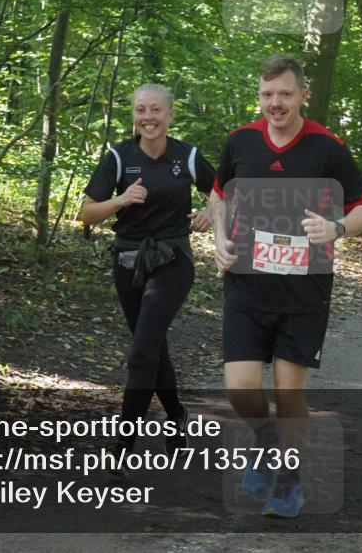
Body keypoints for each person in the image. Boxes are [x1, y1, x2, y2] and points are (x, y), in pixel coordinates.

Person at [209, 55, 362, 518]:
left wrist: (337, 228)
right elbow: (220, 193)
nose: (275, 103)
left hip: (305, 290)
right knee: (241, 388)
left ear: (303, 95)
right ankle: (265, 445)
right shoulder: (240, 141)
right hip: (247, 283)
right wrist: (220, 237)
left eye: (285, 94)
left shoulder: (327, 147)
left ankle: (288, 481)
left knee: (288, 393)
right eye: (267, 95)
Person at [82, 83, 216, 474]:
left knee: (141, 352)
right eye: (141, 110)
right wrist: (120, 200)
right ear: (134, 115)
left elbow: (227, 191)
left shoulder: (186, 156)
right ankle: (177, 419)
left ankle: (121, 450)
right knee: (152, 349)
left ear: (170, 115)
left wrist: (211, 211)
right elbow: (88, 214)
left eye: (156, 110)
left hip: (173, 260)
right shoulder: (118, 157)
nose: (148, 118)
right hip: (127, 261)